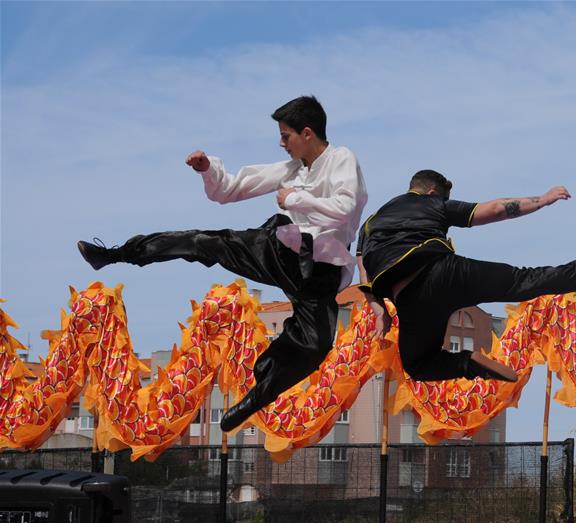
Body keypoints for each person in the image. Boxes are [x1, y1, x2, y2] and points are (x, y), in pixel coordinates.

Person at [77, 96, 367, 432]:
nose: (281, 143)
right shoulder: (291, 169)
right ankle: (117, 254)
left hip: (321, 271)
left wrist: (294, 198)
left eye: (286, 136)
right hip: (282, 250)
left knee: (315, 346)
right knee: (205, 242)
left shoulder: (341, 159)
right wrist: (208, 170)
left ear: (306, 133)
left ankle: (256, 398)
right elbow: (228, 190)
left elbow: (346, 208)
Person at [356, 169, 576, 382]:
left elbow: (363, 271)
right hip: (447, 273)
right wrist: (542, 200)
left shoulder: (369, 225)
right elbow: (495, 209)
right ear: (432, 192)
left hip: (410, 300)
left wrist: (379, 310)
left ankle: (465, 363)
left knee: (418, 365)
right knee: (525, 281)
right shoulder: (433, 204)